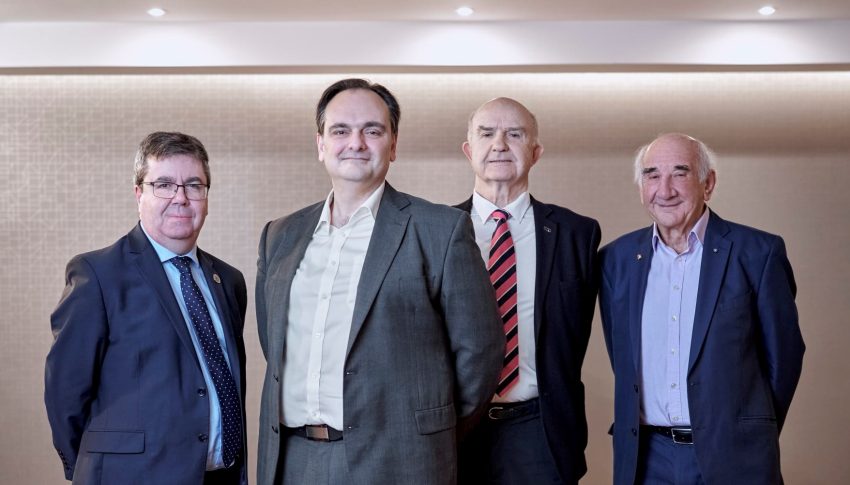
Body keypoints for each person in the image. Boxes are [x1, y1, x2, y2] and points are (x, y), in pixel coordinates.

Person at [255, 78, 504, 485]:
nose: (356, 142)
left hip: (400, 461)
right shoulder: (279, 236)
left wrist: (424, 431)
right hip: (293, 461)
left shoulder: (440, 230)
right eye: (340, 130)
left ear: (393, 145)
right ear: (321, 145)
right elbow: (275, 344)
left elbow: (480, 353)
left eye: (372, 130)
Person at [599, 133, 805, 484]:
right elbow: (623, 359)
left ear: (707, 183)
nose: (665, 190)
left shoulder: (758, 253)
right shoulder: (615, 260)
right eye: (651, 175)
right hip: (646, 459)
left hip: (735, 454)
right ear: (640, 187)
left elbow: (784, 359)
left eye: (680, 173)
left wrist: (751, 429)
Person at [44, 132, 248, 485]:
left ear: (206, 196)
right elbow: (65, 392)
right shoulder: (98, 274)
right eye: (164, 184)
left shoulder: (228, 281)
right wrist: (91, 467)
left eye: (194, 185)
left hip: (219, 476)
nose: (181, 198)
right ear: (139, 193)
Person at [455, 97, 601, 484]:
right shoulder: (436, 230)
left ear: (535, 152)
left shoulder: (577, 234)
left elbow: (577, 333)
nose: (499, 144)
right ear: (470, 151)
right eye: (487, 134)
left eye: (514, 134)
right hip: (456, 429)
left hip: (541, 430)